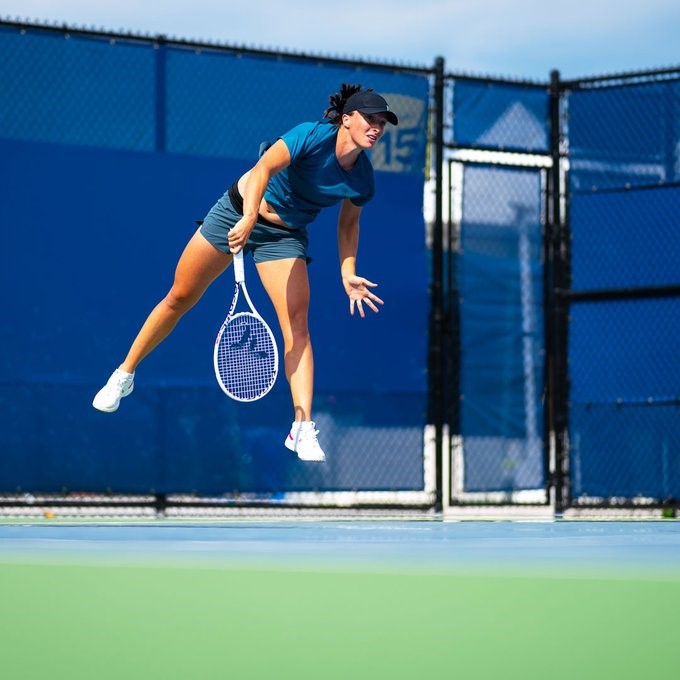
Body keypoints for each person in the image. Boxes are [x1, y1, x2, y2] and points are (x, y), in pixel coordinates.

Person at [92, 84, 398, 463]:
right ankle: (124, 375)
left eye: (382, 122)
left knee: (297, 326)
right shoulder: (310, 135)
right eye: (370, 118)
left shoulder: (362, 178)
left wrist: (347, 272)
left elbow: (349, 224)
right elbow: (263, 169)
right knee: (180, 297)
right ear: (347, 119)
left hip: (283, 237)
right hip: (237, 211)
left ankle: (302, 427)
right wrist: (249, 216)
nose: (377, 127)